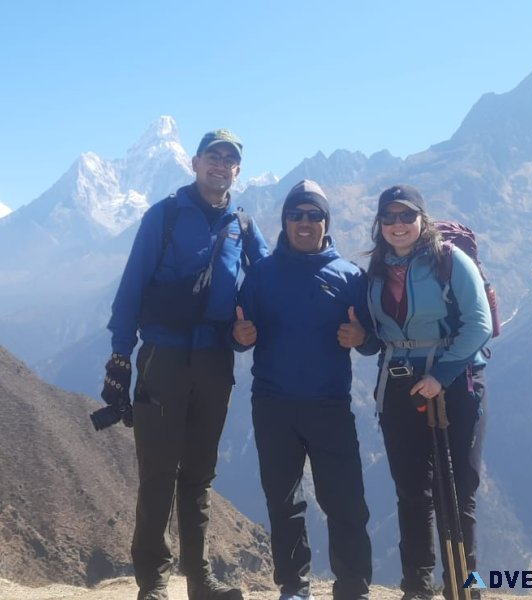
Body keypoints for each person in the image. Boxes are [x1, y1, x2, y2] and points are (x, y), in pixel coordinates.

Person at [103, 129, 269, 600]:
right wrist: (121, 353)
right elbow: (132, 284)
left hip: (215, 360)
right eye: (212, 157)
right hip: (163, 356)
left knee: (198, 474)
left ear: (238, 170)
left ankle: (199, 582)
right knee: (157, 470)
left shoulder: (243, 225)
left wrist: (250, 328)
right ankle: (153, 582)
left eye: (229, 159)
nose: (220, 165)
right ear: (194, 163)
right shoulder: (166, 216)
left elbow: (264, 285)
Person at [232, 180, 376, 600]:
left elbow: (372, 341)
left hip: (329, 404)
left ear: (326, 222)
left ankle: (353, 588)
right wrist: (241, 335)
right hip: (274, 404)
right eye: (296, 215)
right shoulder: (261, 275)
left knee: (345, 502)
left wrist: (360, 336)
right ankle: (294, 587)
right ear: (285, 221)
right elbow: (239, 332)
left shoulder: (349, 277)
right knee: (283, 502)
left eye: (314, 215)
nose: (305, 222)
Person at [364, 184, 492, 600]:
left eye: (406, 216)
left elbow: (479, 323)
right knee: (411, 491)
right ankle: (416, 588)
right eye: (390, 217)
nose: (398, 225)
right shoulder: (377, 270)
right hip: (400, 387)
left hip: (456, 386)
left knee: (457, 490)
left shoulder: (449, 261)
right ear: (380, 224)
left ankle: (465, 588)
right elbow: (377, 335)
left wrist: (443, 374)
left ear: (423, 219)